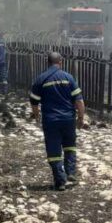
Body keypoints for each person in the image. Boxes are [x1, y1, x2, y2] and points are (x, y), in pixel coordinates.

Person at [29, 52, 85, 191]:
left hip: (51, 121)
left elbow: (34, 102)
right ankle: (70, 173)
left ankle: (60, 181)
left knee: (54, 151)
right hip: (68, 119)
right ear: (60, 62)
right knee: (70, 146)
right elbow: (79, 100)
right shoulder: (68, 77)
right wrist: (81, 117)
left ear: (48, 62)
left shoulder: (40, 79)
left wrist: (36, 116)